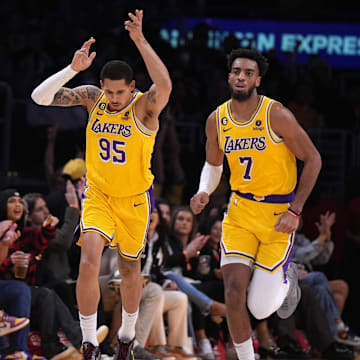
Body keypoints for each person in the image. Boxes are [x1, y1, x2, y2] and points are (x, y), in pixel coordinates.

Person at [31, 9, 172, 360]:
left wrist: (139, 40)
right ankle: (90, 342)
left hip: (135, 201)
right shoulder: (93, 98)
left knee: (129, 271)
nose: (112, 98)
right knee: (89, 260)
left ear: (132, 89)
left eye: (119, 92)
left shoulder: (144, 109)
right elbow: (39, 98)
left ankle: (125, 338)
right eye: (108, 91)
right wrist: (72, 70)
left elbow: (165, 85)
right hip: (98, 195)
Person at [190, 48, 322, 360]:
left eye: (248, 73)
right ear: (229, 75)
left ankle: (287, 281)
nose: (241, 77)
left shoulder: (276, 114)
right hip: (240, 212)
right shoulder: (216, 120)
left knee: (259, 307)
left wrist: (296, 210)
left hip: (278, 215)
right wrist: (203, 190)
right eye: (236, 71)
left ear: (257, 80)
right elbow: (213, 165)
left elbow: (313, 158)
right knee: (233, 292)